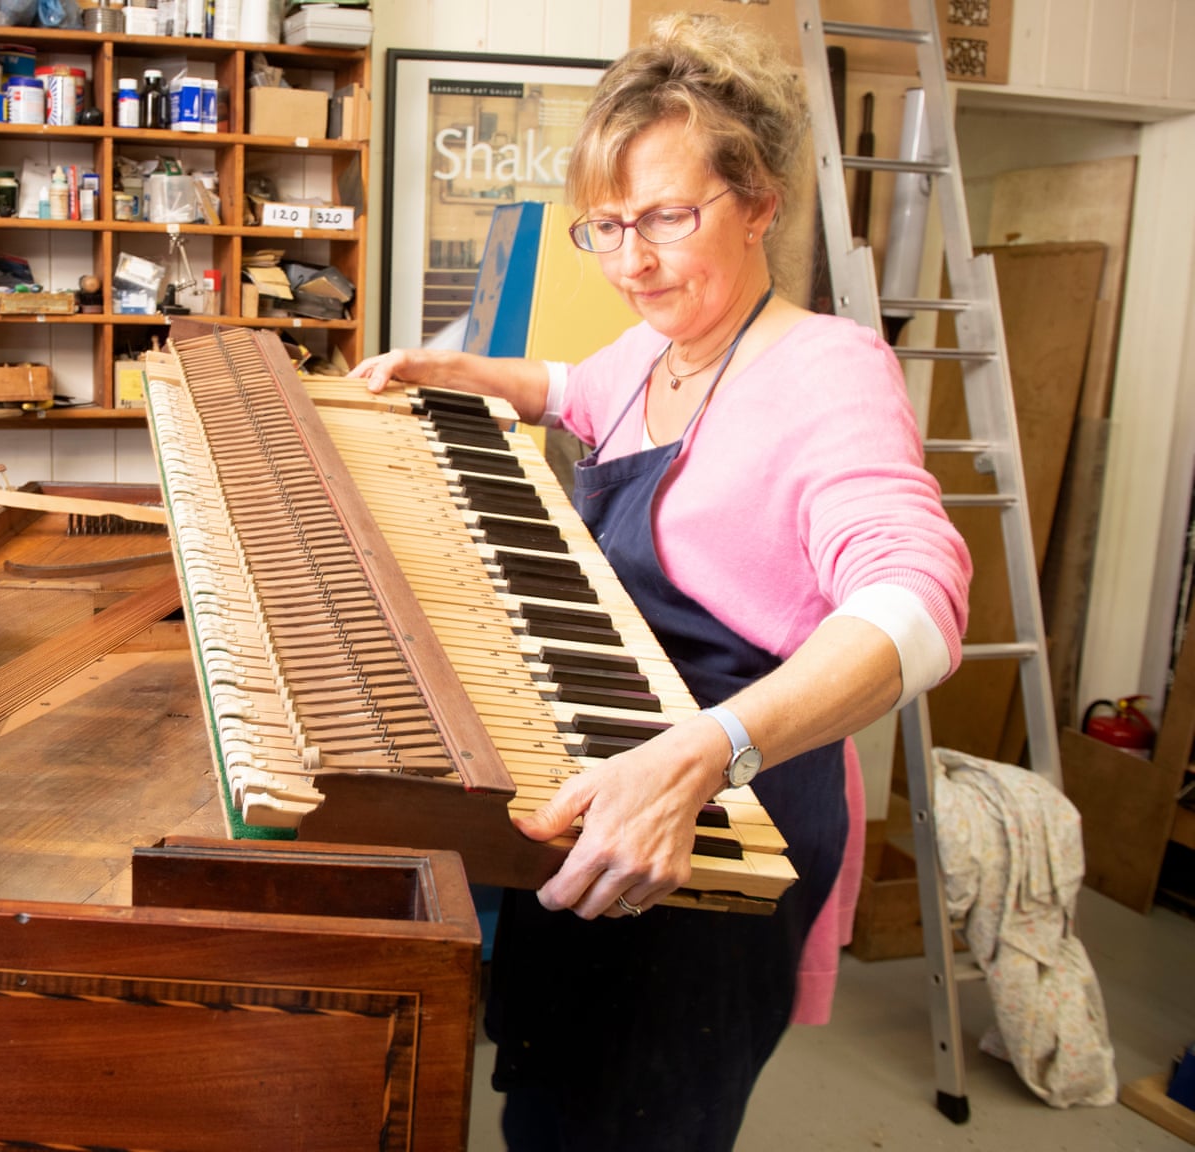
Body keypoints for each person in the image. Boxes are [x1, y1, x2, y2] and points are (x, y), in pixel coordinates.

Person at [351, 15, 970, 1152]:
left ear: (762, 204)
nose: (633, 260)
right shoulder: (657, 346)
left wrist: (710, 750)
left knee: (640, 1121)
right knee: (554, 1091)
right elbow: (570, 389)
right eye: (610, 225)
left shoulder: (828, 372)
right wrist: (450, 370)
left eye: (670, 219)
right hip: (609, 763)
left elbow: (916, 599)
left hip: (729, 803)